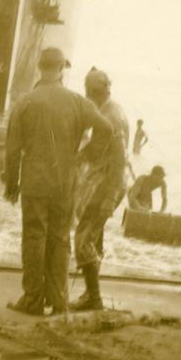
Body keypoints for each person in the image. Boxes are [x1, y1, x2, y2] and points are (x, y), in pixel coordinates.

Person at [4, 48, 113, 315]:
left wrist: (11, 185)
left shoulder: (25, 102)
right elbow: (107, 130)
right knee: (60, 239)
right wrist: (83, 155)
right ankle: (59, 301)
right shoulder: (77, 101)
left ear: (40, 68)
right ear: (62, 68)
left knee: (34, 237)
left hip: (34, 181)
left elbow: (12, 150)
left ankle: (32, 300)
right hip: (66, 182)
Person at [71, 67, 128, 311]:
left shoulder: (110, 116)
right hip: (108, 181)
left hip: (107, 183)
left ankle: (94, 298)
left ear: (91, 91)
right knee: (94, 237)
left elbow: (118, 159)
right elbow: (99, 147)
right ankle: (90, 294)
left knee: (83, 238)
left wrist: (109, 197)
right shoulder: (112, 110)